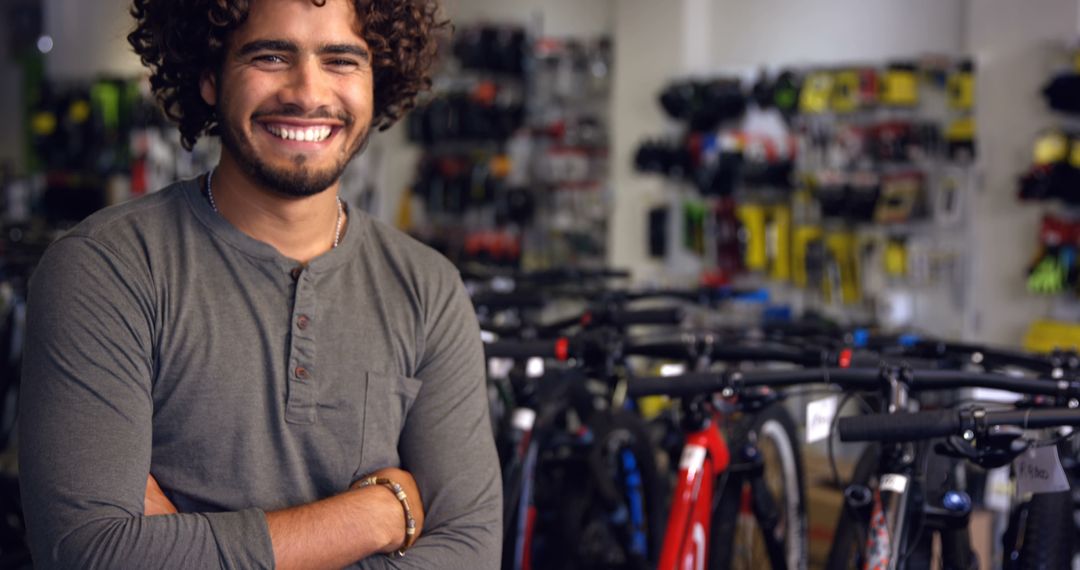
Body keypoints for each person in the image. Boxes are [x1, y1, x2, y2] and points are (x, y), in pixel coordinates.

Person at [18, 0, 501, 568]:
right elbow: (90, 552)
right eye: (271, 55)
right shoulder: (107, 270)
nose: (307, 92)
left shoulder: (429, 289)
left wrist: (179, 545)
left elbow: (470, 549)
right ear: (208, 75)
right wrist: (374, 516)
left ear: (378, 80)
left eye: (342, 60)